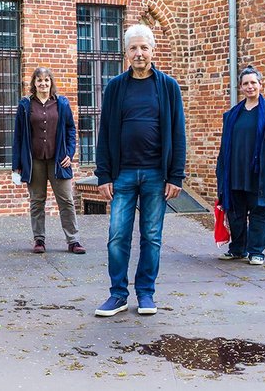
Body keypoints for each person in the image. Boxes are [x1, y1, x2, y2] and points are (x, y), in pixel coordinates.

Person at [94, 24, 186, 317]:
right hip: (122, 174)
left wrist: (175, 175)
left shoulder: (168, 86)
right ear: (126, 52)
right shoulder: (116, 87)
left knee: (152, 236)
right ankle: (118, 294)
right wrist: (104, 174)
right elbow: (105, 131)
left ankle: (146, 293)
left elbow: (178, 132)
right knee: (117, 235)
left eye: (144, 47)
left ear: (152, 50)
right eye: (133, 48)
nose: (139, 53)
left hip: (155, 175)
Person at [216, 65, 265, 266]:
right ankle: (237, 249)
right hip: (235, 172)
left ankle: (256, 252)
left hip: (260, 172)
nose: (250, 87)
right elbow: (225, 146)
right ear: (241, 87)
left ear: (260, 84)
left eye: (253, 83)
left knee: (259, 213)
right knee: (235, 213)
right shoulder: (233, 114)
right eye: (246, 83)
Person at [12, 67, 84, 254]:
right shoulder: (25, 105)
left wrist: (69, 152)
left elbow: (70, 130)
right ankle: (39, 240)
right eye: (39, 80)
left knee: (66, 200)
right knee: (37, 201)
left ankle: (73, 240)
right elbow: (18, 136)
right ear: (33, 83)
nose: (43, 83)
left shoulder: (61, 103)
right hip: (34, 161)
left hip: (58, 160)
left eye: (46, 80)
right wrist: (17, 165)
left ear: (51, 82)